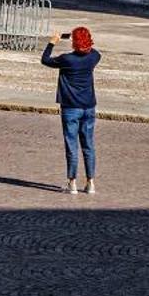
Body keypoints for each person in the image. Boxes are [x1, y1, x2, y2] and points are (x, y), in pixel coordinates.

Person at [42, 27, 100, 194]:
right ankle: (90, 183)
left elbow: (45, 59)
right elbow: (95, 51)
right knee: (88, 145)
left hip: (70, 108)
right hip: (88, 107)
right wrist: (84, 42)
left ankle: (72, 183)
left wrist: (52, 42)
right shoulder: (93, 57)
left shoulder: (67, 60)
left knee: (72, 145)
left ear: (74, 42)